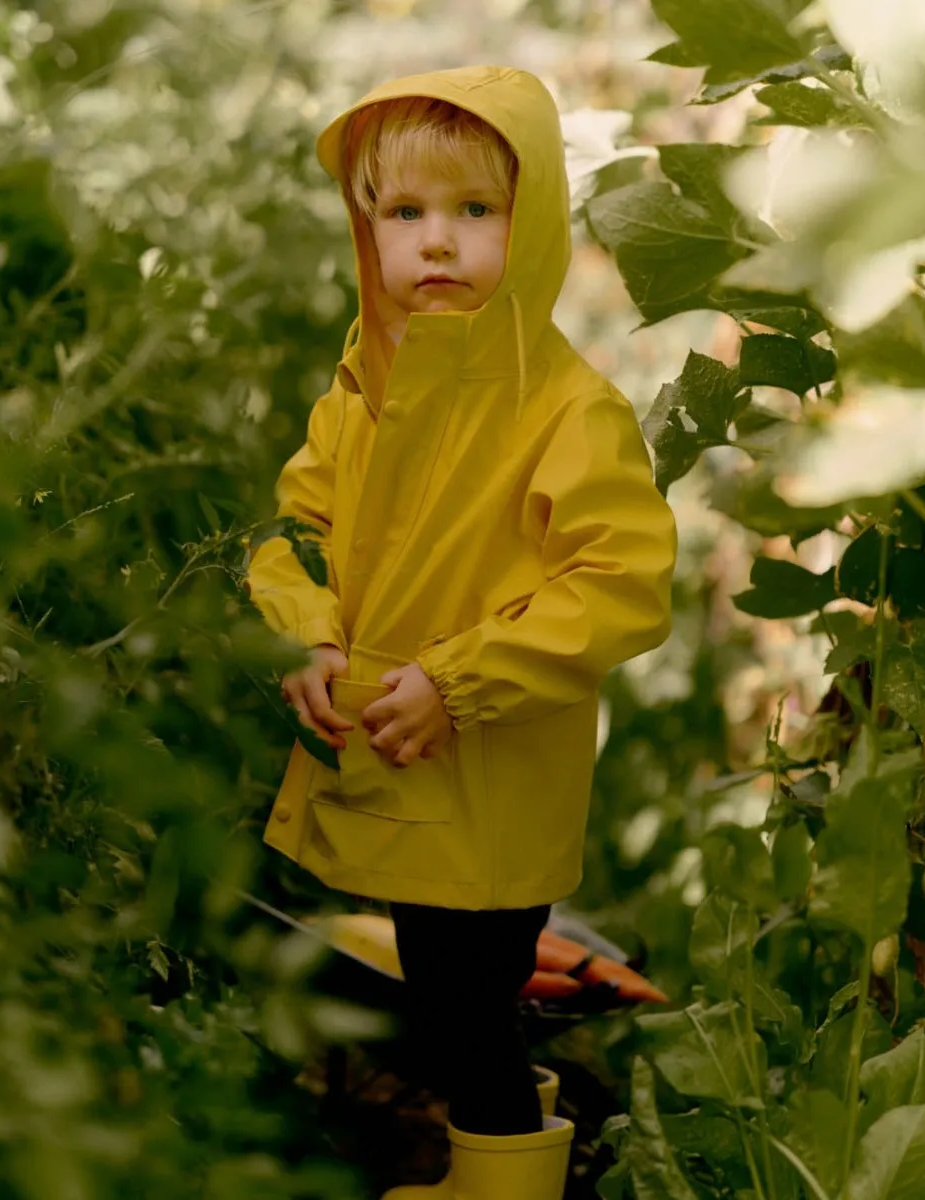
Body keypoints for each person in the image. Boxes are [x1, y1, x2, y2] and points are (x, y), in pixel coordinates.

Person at [245, 65, 677, 1199]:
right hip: (387, 746)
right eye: (407, 214)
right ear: (368, 229)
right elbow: (296, 529)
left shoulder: (565, 408)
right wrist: (308, 636)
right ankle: (512, 1158)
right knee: (463, 1002)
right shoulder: (362, 394)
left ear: (526, 229)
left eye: (475, 212)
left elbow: (620, 579)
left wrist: (462, 680)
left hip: (488, 767)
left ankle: (506, 1187)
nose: (438, 244)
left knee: (461, 998)